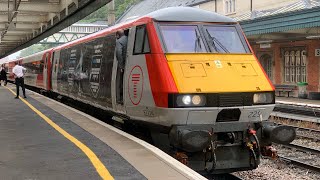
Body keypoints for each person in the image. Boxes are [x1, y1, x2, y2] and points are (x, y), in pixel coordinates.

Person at [115, 29, 128, 104]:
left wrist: (121, 66)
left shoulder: (119, 41)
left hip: (123, 64)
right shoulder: (128, 39)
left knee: (120, 81)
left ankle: (120, 99)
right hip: (130, 63)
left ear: (117, 35)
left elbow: (119, 53)